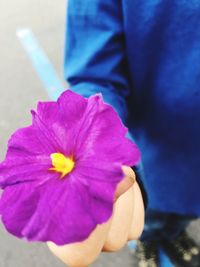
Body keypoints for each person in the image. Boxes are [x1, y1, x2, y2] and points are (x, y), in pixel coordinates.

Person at [55, 1, 200, 266]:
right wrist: (92, 131)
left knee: (186, 208)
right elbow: (96, 75)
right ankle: (149, 240)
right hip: (157, 144)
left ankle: (175, 234)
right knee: (151, 210)